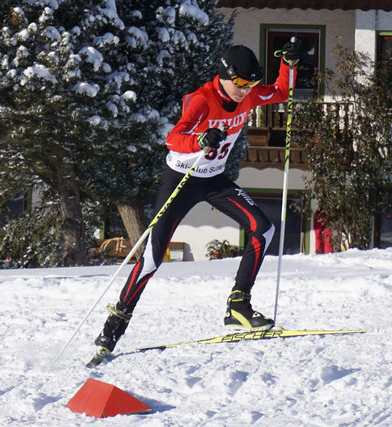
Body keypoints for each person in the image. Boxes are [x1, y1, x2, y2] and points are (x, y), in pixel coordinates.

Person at [92, 38, 301, 358]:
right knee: (152, 258)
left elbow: (281, 92)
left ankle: (238, 305)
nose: (246, 90)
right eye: (241, 83)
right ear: (225, 76)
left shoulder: (247, 95)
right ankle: (114, 327)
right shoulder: (201, 99)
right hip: (182, 179)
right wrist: (199, 139)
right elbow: (173, 137)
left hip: (214, 179)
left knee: (264, 227)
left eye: (251, 84)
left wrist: (290, 64)